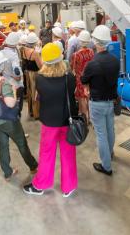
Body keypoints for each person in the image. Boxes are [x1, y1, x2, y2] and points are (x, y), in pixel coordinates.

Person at [23, 43, 78, 197]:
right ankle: (69, 186)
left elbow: (41, 96)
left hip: (49, 123)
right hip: (67, 121)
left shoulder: (40, 79)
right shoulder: (70, 77)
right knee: (68, 154)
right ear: (61, 59)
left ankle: (41, 185)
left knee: (47, 154)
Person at [0, 51, 38, 181]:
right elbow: (10, 104)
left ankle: (8, 172)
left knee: (2, 145)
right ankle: (33, 166)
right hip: (8, 121)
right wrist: (14, 91)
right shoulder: (4, 84)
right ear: (2, 66)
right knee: (22, 143)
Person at [81, 25, 120, 176]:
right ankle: (109, 154)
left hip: (97, 103)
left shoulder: (92, 64)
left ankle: (106, 166)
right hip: (111, 102)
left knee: (101, 134)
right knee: (110, 130)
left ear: (95, 42)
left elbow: (84, 79)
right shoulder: (115, 61)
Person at [71, 30, 94, 123]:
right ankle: (91, 118)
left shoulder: (76, 55)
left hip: (80, 79)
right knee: (89, 98)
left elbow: (72, 67)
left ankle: (85, 119)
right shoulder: (91, 52)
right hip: (90, 78)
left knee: (81, 99)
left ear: (79, 41)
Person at [0, 32, 24, 117]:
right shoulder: (13, 56)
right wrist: (16, 76)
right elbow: (17, 75)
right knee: (17, 108)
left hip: (6, 84)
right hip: (16, 86)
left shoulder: (1, 52)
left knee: (9, 106)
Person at [22, 33, 43, 119]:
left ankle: (31, 111)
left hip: (27, 73)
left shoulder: (23, 50)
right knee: (36, 93)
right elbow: (40, 66)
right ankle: (37, 113)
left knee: (30, 92)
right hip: (34, 74)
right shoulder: (34, 53)